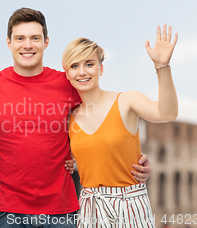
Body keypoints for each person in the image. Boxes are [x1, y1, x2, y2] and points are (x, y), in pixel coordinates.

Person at [0, 8, 153, 228]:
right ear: (9, 43)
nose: (27, 45)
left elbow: (104, 118)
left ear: (46, 42)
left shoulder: (67, 83)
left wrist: (135, 155)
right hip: (7, 211)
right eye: (20, 38)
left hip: (61, 211)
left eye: (35, 38)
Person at [63, 24, 178, 227]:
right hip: (90, 207)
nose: (82, 72)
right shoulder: (68, 118)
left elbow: (167, 113)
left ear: (101, 68)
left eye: (89, 64)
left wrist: (162, 66)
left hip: (131, 205)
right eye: (74, 66)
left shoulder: (127, 101)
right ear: (67, 73)